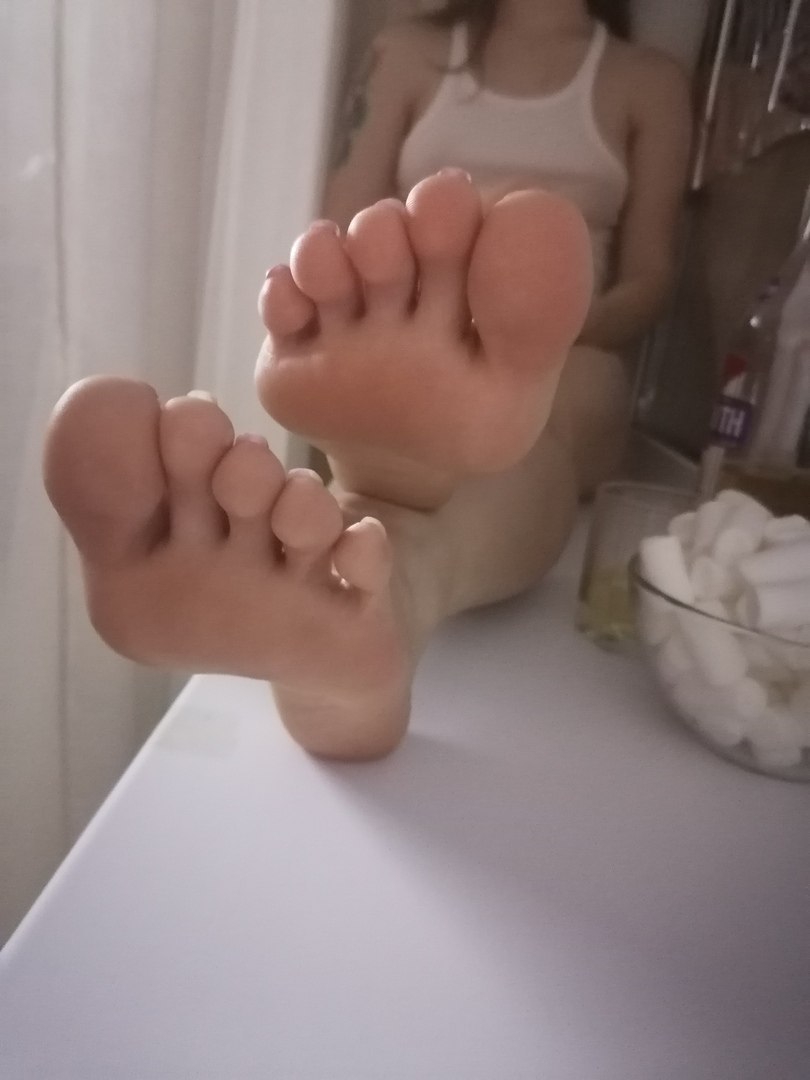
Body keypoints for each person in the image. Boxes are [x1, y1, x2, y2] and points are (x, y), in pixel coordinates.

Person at [43, 0, 692, 761]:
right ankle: (384, 602)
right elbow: (340, 222)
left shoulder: (647, 82)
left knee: (563, 405)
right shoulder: (407, 53)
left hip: (565, 347)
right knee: (488, 418)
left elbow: (649, 280)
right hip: (410, 334)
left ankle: (410, 491)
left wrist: (526, 338)